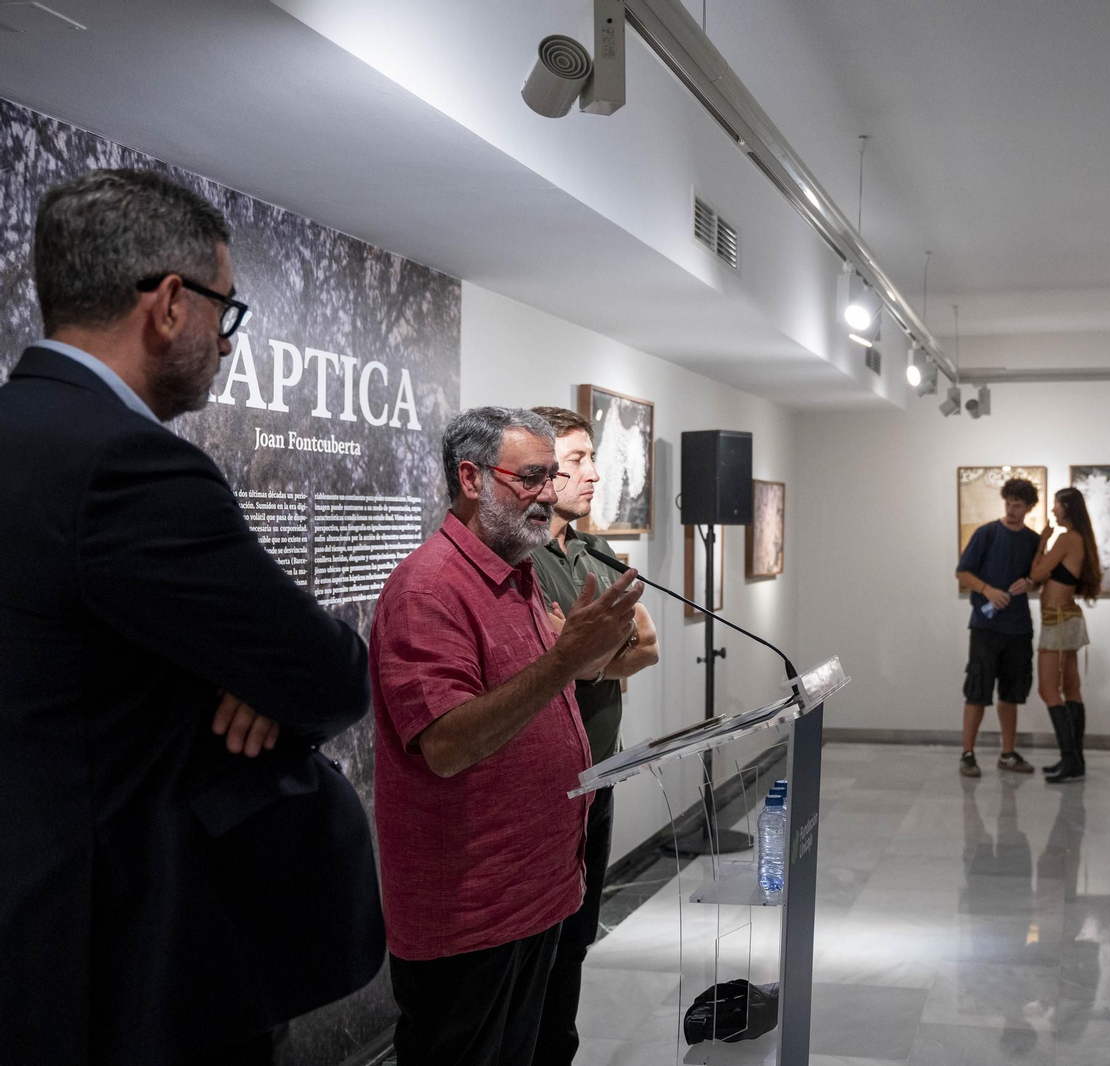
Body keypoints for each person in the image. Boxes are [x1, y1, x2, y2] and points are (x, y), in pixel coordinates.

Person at [0, 169, 382, 1066]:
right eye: (227, 312)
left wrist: (251, 667)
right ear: (171, 303)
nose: (225, 342)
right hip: (141, 956)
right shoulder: (126, 461)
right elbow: (328, 672)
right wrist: (263, 675)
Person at [369, 407, 645, 1065]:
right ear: (470, 477)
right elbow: (447, 745)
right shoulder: (429, 587)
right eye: (531, 477)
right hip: (472, 917)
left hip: (536, 895)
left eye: (553, 476)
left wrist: (571, 655)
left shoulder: (515, 572)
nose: (548, 494)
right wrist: (564, 660)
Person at [528, 406, 661, 1066]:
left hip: (599, 770)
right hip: (549, 785)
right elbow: (564, 659)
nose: (594, 472)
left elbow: (650, 643)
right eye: (577, 459)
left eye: (590, 458)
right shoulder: (521, 557)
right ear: (538, 468)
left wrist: (591, 657)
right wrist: (596, 656)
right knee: (544, 944)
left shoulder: (592, 549)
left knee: (579, 936)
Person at [955, 477, 1043, 778]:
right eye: (1008, 503)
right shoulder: (987, 534)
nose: (1011, 510)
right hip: (985, 626)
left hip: (1018, 628)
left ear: (1029, 507)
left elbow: (1040, 576)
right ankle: (967, 753)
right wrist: (987, 590)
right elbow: (962, 572)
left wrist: (1032, 582)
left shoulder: (1033, 541)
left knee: (1011, 693)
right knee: (977, 691)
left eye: (1018, 505)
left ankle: (1007, 752)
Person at [1031, 487, 1105, 783]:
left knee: (1048, 689)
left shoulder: (1066, 539)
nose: (1053, 511)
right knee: (1070, 689)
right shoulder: (1079, 539)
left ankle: (1070, 758)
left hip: (1058, 621)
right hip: (1067, 618)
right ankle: (1075, 760)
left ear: (1067, 507)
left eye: (1056, 506)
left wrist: (1041, 543)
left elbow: (1037, 574)